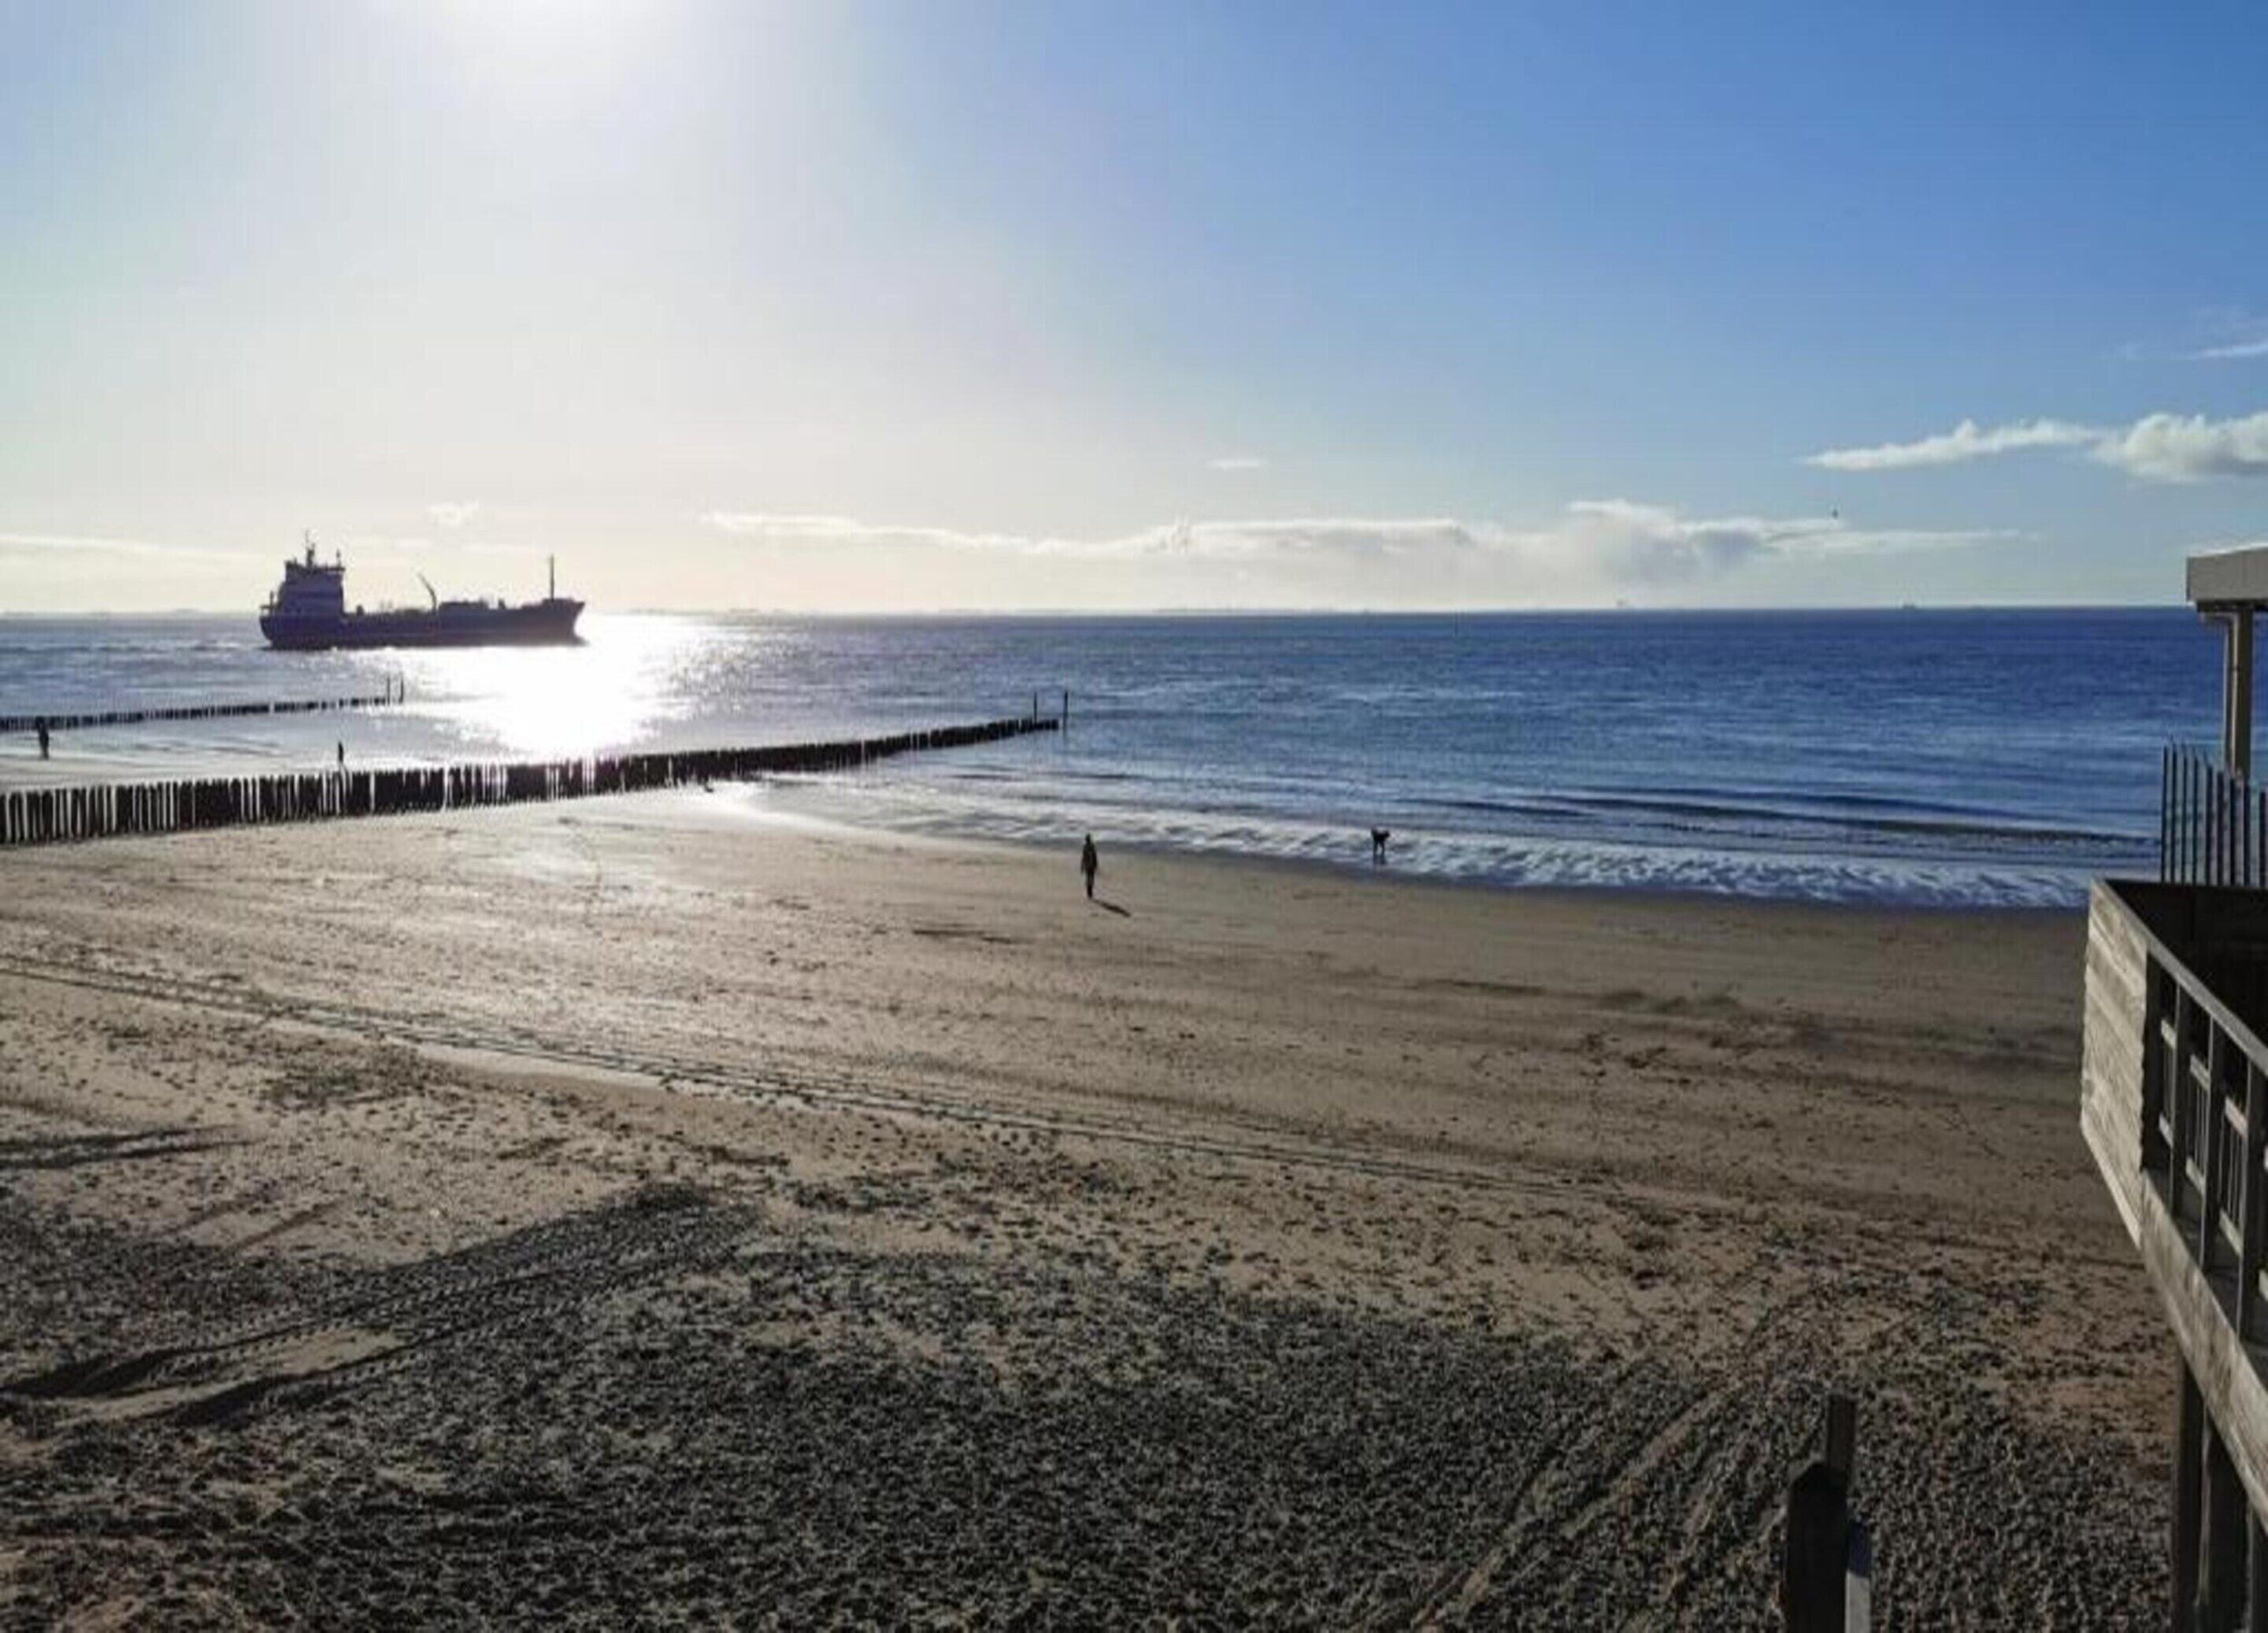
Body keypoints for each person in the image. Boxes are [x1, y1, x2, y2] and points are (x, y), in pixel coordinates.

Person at [1080, 833, 1099, 900]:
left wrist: (1082, 866)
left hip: (1088, 865)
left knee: (1089, 879)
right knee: (1091, 879)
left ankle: (1089, 893)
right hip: (1091, 865)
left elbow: (1083, 857)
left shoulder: (1085, 847)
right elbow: (1095, 856)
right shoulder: (1092, 846)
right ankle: (1090, 892)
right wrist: (1096, 864)